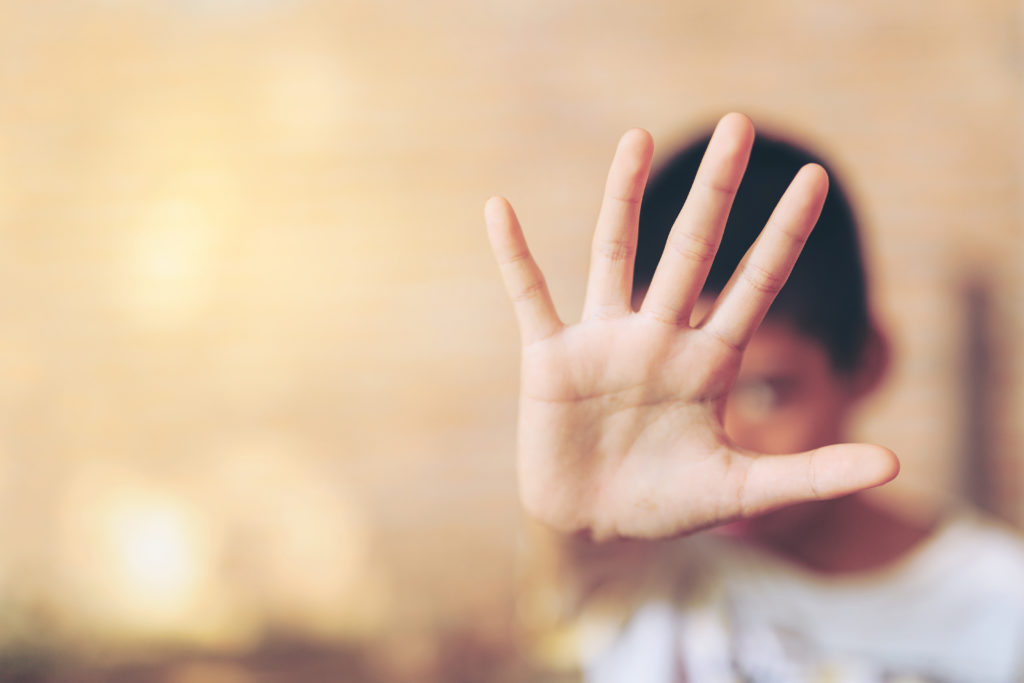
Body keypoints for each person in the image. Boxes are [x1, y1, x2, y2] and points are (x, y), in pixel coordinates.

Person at [485, 113, 1024, 681]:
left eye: (766, 393)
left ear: (867, 363)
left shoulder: (1000, 601)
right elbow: (565, 589)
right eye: (661, 401)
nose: (715, 439)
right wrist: (571, 526)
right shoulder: (636, 561)